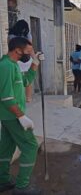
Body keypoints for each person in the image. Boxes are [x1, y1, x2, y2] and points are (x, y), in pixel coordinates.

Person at [0, 37, 44, 195]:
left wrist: (35, 63)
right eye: (28, 51)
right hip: (12, 116)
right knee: (31, 146)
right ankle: (22, 187)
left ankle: (3, 181)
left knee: (6, 149)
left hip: (9, 117)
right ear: (17, 50)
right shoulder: (5, 66)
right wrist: (21, 117)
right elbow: (5, 97)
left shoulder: (13, 65)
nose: (30, 53)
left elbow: (26, 82)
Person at [8, 20, 33, 103]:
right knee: (26, 79)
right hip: (25, 58)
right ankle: (27, 97)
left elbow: (10, 47)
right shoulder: (26, 35)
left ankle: (20, 97)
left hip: (18, 58)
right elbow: (30, 47)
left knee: (18, 79)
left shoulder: (11, 35)